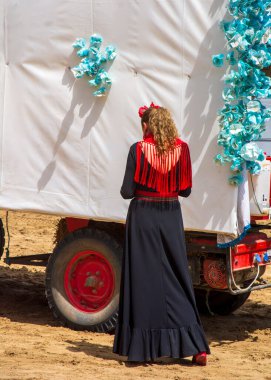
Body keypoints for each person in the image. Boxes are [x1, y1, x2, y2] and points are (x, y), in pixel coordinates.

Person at [112, 103, 210, 365]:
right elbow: (186, 190)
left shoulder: (138, 149)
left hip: (143, 216)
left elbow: (126, 191)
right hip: (170, 216)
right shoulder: (183, 149)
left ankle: (144, 349)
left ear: (146, 126)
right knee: (177, 277)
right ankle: (196, 346)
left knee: (143, 279)